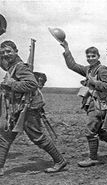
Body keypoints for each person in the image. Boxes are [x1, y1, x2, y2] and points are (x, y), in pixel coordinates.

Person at [0, 40, 67, 176]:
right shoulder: (11, 66)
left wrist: (12, 84)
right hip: (17, 108)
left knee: (37, 137)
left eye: (8, 51)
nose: (6, 54)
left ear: (16, 51)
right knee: (5, 137)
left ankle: (59, 161)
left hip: (27, 108)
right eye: (2, 53)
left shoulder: (20, 67)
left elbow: (32, 84)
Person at [60, 40, 107, 167]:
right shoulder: (88, 69)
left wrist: (94, 83)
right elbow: (73, 65)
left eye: (93, 56)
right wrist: (66, 49)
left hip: (99, 105)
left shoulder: (101, 70)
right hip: (91, 103)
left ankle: (93, 158)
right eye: (88, 56)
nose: (90, 58)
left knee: (90, 131)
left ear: (98, 57)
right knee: (101, 133)